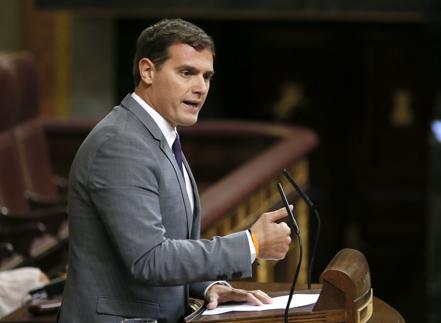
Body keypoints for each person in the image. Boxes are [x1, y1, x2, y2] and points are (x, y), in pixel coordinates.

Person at [58, 18, 292, 323]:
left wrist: (208, 286)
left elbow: (163, 248)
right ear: (147, 71)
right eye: (186, 73)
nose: (200, 88)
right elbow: (148, 259)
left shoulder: (155, 136)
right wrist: (251, 244)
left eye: (207, 76)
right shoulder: (121, 145)